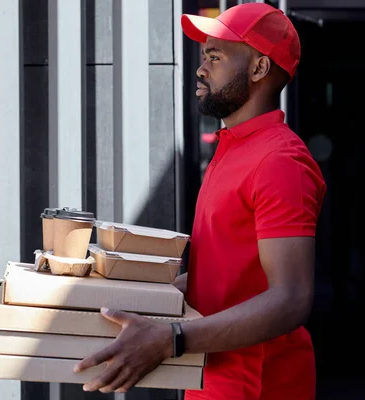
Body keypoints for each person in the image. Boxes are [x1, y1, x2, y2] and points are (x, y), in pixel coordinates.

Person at [74, 3, 326, 399]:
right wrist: (137, 297)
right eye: (203, 55)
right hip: (213, 378)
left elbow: (291, 298)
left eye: (215, 56)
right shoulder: (233, 149)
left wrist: (171, 338)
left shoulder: (280, 162)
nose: (200, 68)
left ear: (259, 69)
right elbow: (227, 278)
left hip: (258, 386)